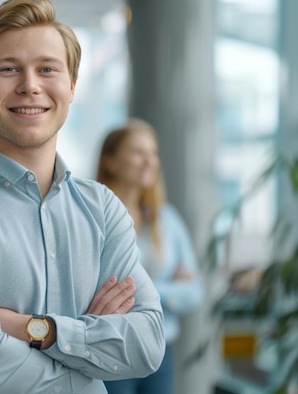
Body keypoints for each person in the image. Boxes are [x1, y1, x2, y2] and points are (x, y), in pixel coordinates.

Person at [0, 0, 165, 394]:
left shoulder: (103, 209)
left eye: (47, 69)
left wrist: (36, 329)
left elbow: (147, 345)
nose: (30, 86)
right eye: (9, 69)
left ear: (72, 86)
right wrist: (89, 358)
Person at [97, 119, 204, 394]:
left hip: (160, 351)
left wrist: (141, 292)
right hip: (108, 348)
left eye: (153, 153)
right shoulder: (91, 220)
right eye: (137, 152)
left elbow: (194, 291)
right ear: (110, 161)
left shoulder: (167, 221)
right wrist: (168, 289)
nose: (149, 161)